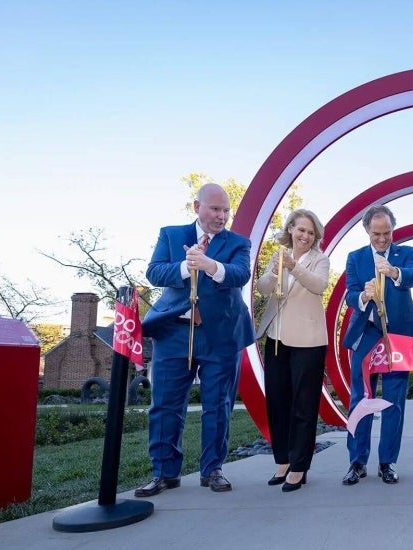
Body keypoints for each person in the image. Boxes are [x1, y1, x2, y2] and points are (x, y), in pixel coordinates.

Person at [136, 183, 255, 497]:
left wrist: (210, 265)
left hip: (221, 336)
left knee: (218, 405)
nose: (222, 216)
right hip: (174, 332)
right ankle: (164, 473)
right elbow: (155, 272)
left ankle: (212, 470)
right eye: (215, 209)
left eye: (226, 210)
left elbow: (240, 274)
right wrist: (185, 267)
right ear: (196, 207)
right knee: (164, 405)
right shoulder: (172, 235)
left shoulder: (239, 243)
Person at [340, 205, 413, 486]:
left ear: (393, 229)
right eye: (376, 233)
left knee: (394, 401)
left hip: (398, 336)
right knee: (360, 398)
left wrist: (393, 272)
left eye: (387, 233)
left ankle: (388, 462)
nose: (382, 239)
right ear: (367, 230)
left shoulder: (407, 253)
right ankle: (357, 462)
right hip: (366, 334)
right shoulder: (355, 258)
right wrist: (364, 297)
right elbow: (351, 294)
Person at [255, 209, 330, 493]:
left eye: (311, 233)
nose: (305, 236)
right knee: (277, 403)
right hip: (276, 339)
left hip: (309, 342)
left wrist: (293, 267)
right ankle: (283, 461)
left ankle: (300, 467)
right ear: (290, 229)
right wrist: (275, 270)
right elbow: (263, 289)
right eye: (301, 230)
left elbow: (319, 285)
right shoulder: (279, 256)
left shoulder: (320, 260)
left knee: (303, 405)